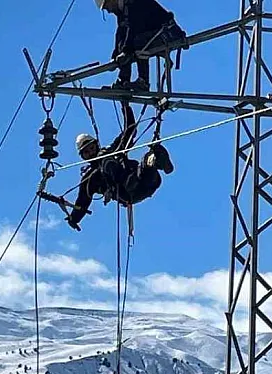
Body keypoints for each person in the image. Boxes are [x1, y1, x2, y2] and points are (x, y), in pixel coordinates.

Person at [66, 102, 174, 231]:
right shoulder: (90, 178)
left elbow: (130, 130)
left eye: (92, 148)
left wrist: (125, 106)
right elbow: (83, 200)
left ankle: (154, 159)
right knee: (105, 160)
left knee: (142, 162)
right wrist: (74, 218)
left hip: (145, 181)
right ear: (83, 157)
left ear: (96, 144)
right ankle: (149, 163)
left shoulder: (112, 150)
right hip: (128, 193)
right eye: (87, 152)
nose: (91, 152)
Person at [96, 0, 187, 92]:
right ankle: (123, 81)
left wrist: (125, 51)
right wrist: (116, 55)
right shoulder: (122, 11)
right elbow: (121, 34)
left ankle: (143, 82)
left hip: (169, 33)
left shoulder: (134, 3)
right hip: (155, 34)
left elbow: (135, 27)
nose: (109, 11)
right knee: (126, 50)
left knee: (137, 42)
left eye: (107, 7)